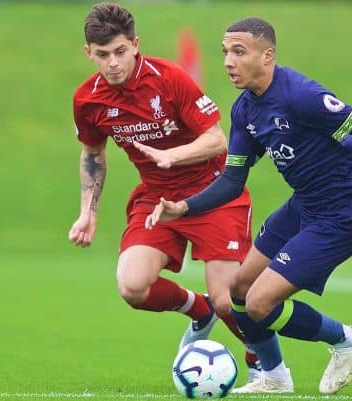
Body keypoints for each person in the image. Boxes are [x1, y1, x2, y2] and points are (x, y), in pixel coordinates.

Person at [145, 17, 352, 394]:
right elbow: (232, 181)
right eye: (225, 51)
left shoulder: (300, 96)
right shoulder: (245, 110)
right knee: (238, 289)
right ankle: (274, 377)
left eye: (239, 51)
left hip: (344, 213)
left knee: (260, 304)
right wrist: (184, 207)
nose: (228, 61)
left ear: (268, 56)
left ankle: (347, 339)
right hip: (304, 205)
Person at [67, 2, 265, 383]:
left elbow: (216, 139)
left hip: (212, 192)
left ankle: (266, 367)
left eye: (120, 52)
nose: (113, 63)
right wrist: (87, 212)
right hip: (157, 197)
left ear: (135, 45)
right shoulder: (87, 100)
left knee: (229, 300)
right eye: (103, 54)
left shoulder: (170, 78)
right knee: (132, 286)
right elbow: (93, 153)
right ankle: (199, 312)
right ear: (88, 52)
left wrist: (172, 155)